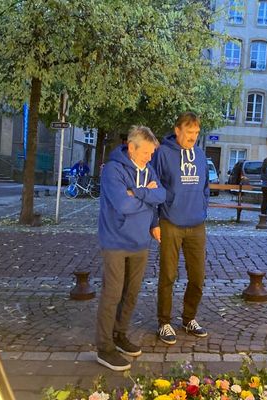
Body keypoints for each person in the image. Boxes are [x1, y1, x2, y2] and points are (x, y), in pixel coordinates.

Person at [95, 126, 165, 371]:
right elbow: (123, 205)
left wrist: (137, 193)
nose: (150, 157)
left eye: (152, 153)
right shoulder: (113, 170)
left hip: (140, 242)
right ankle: (104, 348)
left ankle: (119, 333)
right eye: (146, 152)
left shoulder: (148, 169)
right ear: (132, 147)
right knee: (112, 294)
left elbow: (162, 196)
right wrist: (148, 197)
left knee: (131, 294)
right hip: (115, 240)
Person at [151, 112, 209, 345]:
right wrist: (154, 222)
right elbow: (153, 187)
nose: (193, 137)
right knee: (168, 275)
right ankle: (164, 322)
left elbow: (205, 186)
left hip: (196, 224)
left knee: (198, 277)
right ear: (177, 131)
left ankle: (189, 318)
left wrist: (203, 209)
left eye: (196, 133)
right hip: (170, 222)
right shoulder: (163, 153)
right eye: (189, 132)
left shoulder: (201, 154)